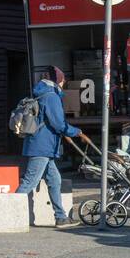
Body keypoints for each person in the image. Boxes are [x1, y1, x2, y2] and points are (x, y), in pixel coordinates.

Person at [15, 66, 87, 228]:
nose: (64, 83)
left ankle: (60, 217)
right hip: (42, 146)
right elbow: (58, 123)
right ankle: (9, 213)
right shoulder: (51, 97)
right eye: (63, 80)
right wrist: (76, 131)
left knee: (55, 179)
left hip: (42, 145)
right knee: (30, 182)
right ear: (58, 80)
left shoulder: (42, 93)